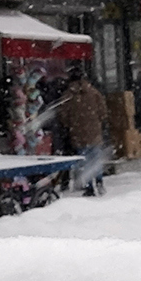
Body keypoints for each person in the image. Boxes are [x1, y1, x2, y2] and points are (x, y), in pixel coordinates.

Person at [57, 65, 110, 195]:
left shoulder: (68, 95)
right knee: (96, 159)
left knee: (84, 161)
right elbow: (103, 112)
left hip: (78, 134)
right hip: (94, 133)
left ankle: (89, 186)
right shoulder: (94, 93)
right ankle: (99, 182)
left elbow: (63, 116)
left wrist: (71, 124)